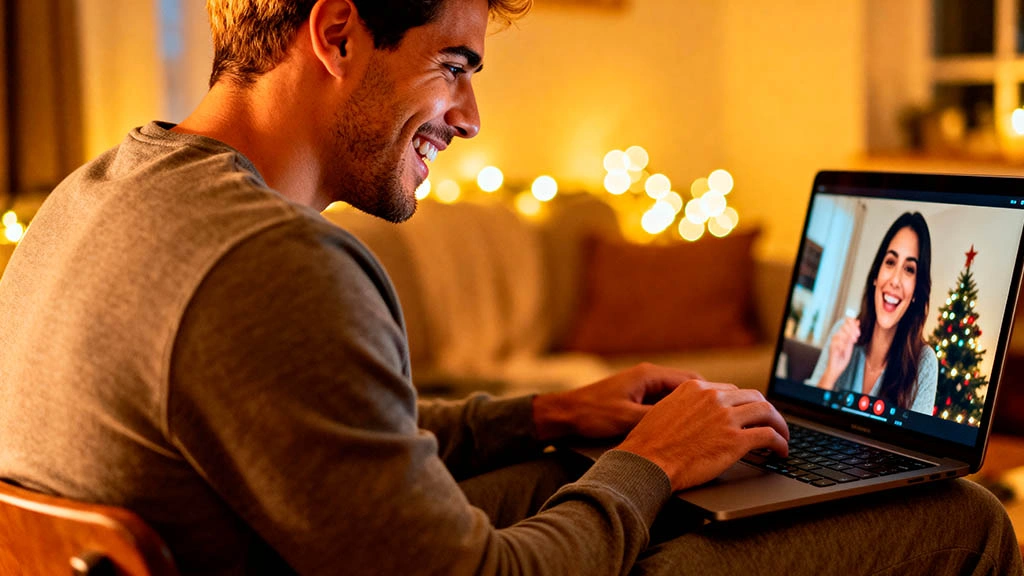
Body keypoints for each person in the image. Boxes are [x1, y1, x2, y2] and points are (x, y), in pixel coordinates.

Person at [0, 1, 1017, 574]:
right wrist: (652, 463)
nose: (471, 114)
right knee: (962, 518)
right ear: (337, 33)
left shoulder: (94, 196)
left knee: (562, 470)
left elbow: (327, 441)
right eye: (453, 65)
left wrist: (541, 414)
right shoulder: (273, 264)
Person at [808, 212, 938, 415]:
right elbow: (807, 413)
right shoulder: (843, 333)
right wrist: (831, 373)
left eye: (909, 269)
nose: (895, 280)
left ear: (916, 292)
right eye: (890, 262)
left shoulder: (925, 364)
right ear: (876, 275)